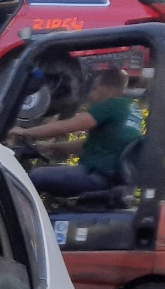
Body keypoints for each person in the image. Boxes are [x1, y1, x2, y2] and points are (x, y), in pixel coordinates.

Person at [8, 66, 144, 199]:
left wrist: (24, 131)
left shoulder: (113, 105)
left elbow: (64, 127)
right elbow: (92, 144)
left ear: (107, 89)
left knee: (34, 177)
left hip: (98, 175)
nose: (90, 96)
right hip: (111, 178)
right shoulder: (132, 109)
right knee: (50, 173)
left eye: (94, 89)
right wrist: (51, 147)